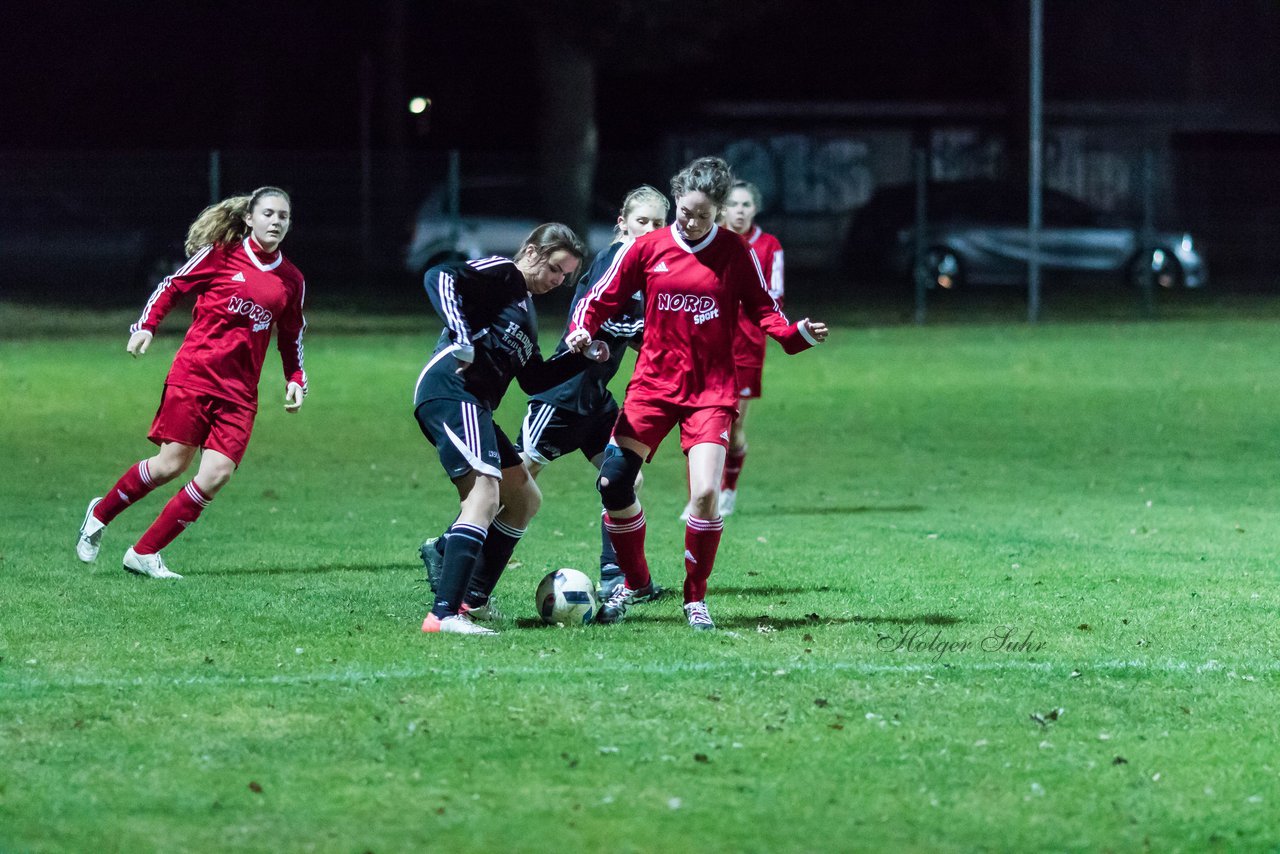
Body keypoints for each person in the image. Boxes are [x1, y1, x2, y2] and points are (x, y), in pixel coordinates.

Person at [566, 156, 829, 631]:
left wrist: (798, 335)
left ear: (719, 211)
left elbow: (765, 309)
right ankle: (635, 582)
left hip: (710, 390)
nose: (690, 222)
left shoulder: (733, 252)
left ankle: (695, 598)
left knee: (706, 493)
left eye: (701, 215)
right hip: (652, 386)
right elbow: (598, 298)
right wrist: (582, 329)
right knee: (612, 484)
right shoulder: (646, 248)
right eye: (684, 212)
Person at [75, 187, 308, 579]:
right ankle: (100, 513)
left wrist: (296, 377)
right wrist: (146, 326)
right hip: (195, 376)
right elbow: (172, 285)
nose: (276, 222)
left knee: (216, 474)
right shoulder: (222, 254)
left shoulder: (291, 280)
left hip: (239, 394)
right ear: (249, 218)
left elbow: (291, 334)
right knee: (170, 465)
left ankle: (144, 553)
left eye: (283, 216)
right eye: (268, 213)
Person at [414, 223, 607, 636]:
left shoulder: (525, 308)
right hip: (452, 390)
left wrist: (583, 357)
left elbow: (533, 380)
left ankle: (472, 598)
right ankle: (444, 615)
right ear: (534, 253)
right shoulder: (505, 273)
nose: (558, 281)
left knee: (524, 498)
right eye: (556, 269)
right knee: (485, 495)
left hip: (475, 405)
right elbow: (440, 276)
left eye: (566, 276)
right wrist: (462, 334)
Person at [514, 185, 668, 601]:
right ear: (622, 222)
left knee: (626, 480)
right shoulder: (615, 258)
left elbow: (634, 331)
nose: (650, 230)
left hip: (596, 398)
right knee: (514, 486)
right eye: (642, 221)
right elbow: (597, 320)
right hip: (562, 395)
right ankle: (454, 552)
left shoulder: (646, 267)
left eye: (658, 224)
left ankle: (617, 576)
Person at [717, 180, 785, 517]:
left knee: (731, 426)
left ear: (755, 209)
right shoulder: (711, 241)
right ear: (722, 209)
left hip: (746, 346)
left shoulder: (769, 246)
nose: (739, 211)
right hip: (709, 343)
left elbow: (775, 296)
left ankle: (727, 489)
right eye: (733, 204)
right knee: (701, 421)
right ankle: (702, 495)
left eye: (745, 205)